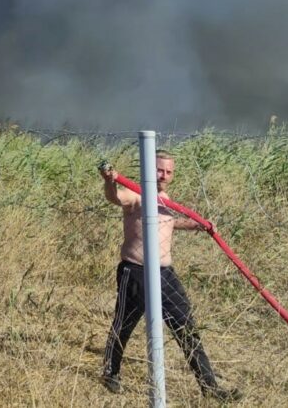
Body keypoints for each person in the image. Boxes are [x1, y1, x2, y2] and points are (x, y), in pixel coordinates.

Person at [99, 152, 241, 401]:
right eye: (159, 170)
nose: (163, 175)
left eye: (168, 171)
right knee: (124, 324)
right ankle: (110, 372)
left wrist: (196, 225)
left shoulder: (164, 199)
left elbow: (166, 222)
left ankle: (209, 387)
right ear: (148, 169)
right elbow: (114, 198)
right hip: (137, 272)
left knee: (187, 327)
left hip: (165, 273)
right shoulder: (136, 194)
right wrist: (110, 181)